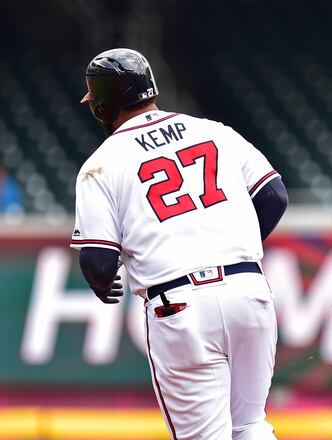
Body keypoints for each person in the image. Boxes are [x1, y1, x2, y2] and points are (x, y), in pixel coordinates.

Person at [70, 48, 287, 439]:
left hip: (179, 304)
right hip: (248, 289)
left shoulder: (100, 165)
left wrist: (103, 282)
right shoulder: (214, 131)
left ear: (101, 105)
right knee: (251, 425)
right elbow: (274, 196)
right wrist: (230, 244)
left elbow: (98, 263)